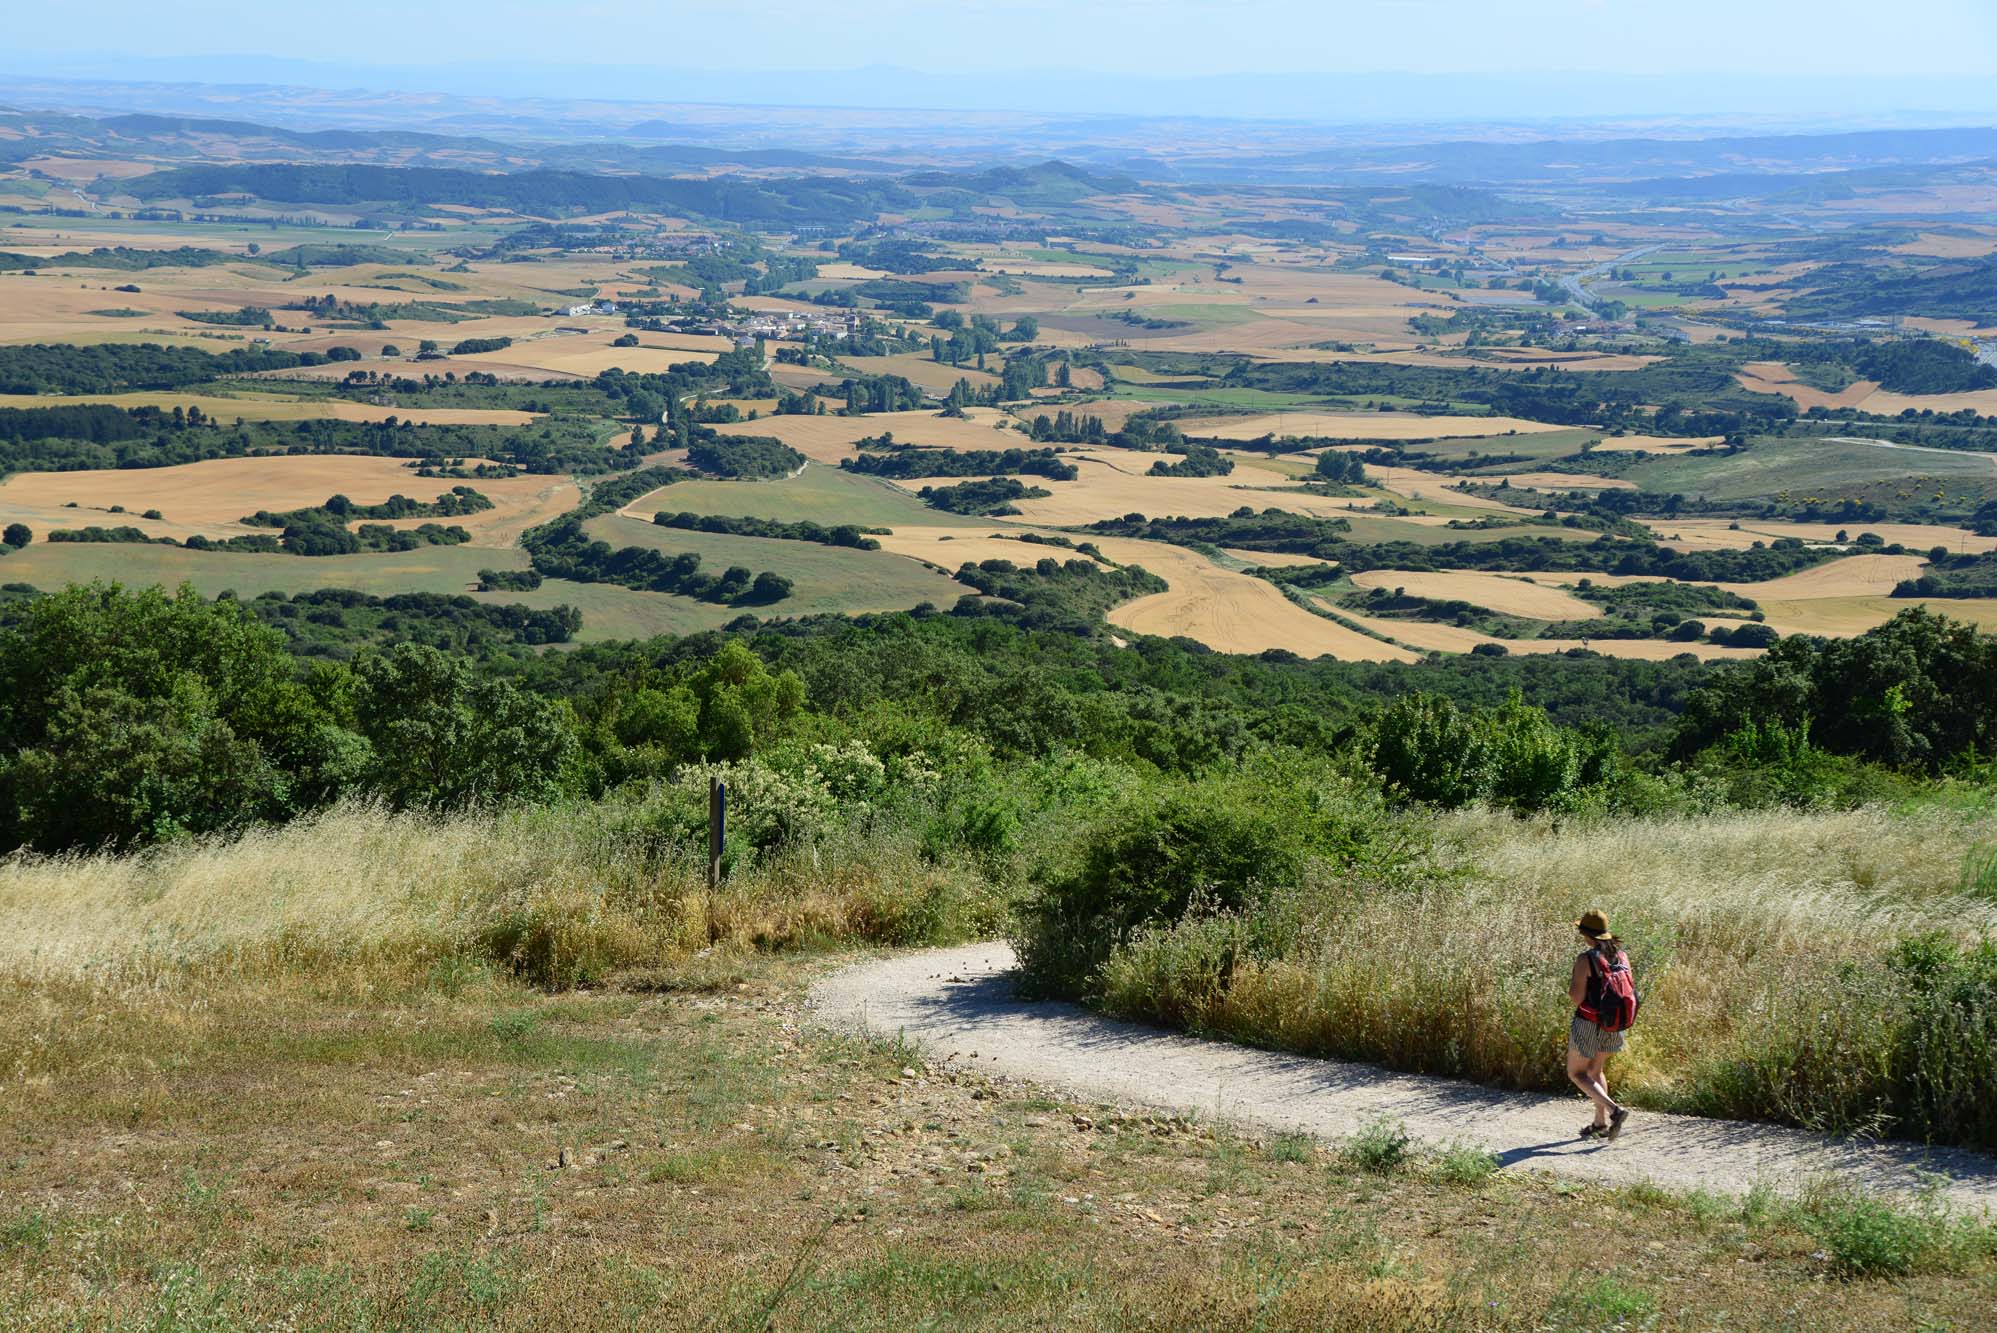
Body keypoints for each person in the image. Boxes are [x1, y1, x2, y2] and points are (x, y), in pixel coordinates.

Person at [1567, 909, 1633, 1141]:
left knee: (1577, 1073)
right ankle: (1599, 1123)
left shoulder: (1586, 959)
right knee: (1596, 1070)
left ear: (1585, 933)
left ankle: (1615, 1111)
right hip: (1614, 1023)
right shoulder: (1621, 955)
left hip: (1588, 1022)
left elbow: (1576, 997)